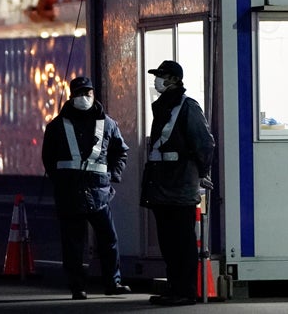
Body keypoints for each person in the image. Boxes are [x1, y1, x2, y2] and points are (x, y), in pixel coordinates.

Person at [41, 75, 133, 300]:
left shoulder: (107, 124)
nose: (84, 97)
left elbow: (120, 151)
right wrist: (61, 181)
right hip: (71, 192)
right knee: (73, 243)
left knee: (108, 240)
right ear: (72, 96)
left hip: (98, 193)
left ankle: (113, 283)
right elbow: (49, 158)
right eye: (80, 93)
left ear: (93, 94)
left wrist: (111, 175)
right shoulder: (57, 126)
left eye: (87, 93)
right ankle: (77, 287)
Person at [140, 59, 215, 307]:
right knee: (169, 243)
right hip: (162, 185)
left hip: (180, 185)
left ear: (174, 79)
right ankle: (174, 288)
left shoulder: (188, 107)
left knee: (182, 242)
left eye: (161, 75)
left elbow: (204, 143)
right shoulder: (163, 107)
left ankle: (185, 291)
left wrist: (202, 173)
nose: (156, 80)